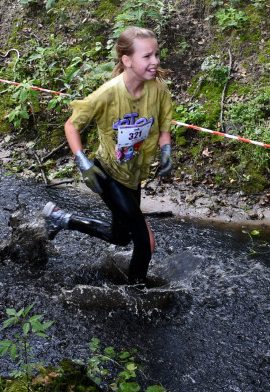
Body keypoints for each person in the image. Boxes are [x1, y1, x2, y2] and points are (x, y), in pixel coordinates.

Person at [43, 27, 174, 287]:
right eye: (147, 56)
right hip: (107, 174)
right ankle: (136, 294)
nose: (155, 61)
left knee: (119, 237)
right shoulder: (108, 93)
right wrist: (83, 162)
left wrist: (166, 149)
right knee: (145, 242)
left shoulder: (158, 89)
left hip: (133, 175)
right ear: (127, 60)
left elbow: (164, 126)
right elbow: (72, 125)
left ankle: (62, 219)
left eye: (156, 54)